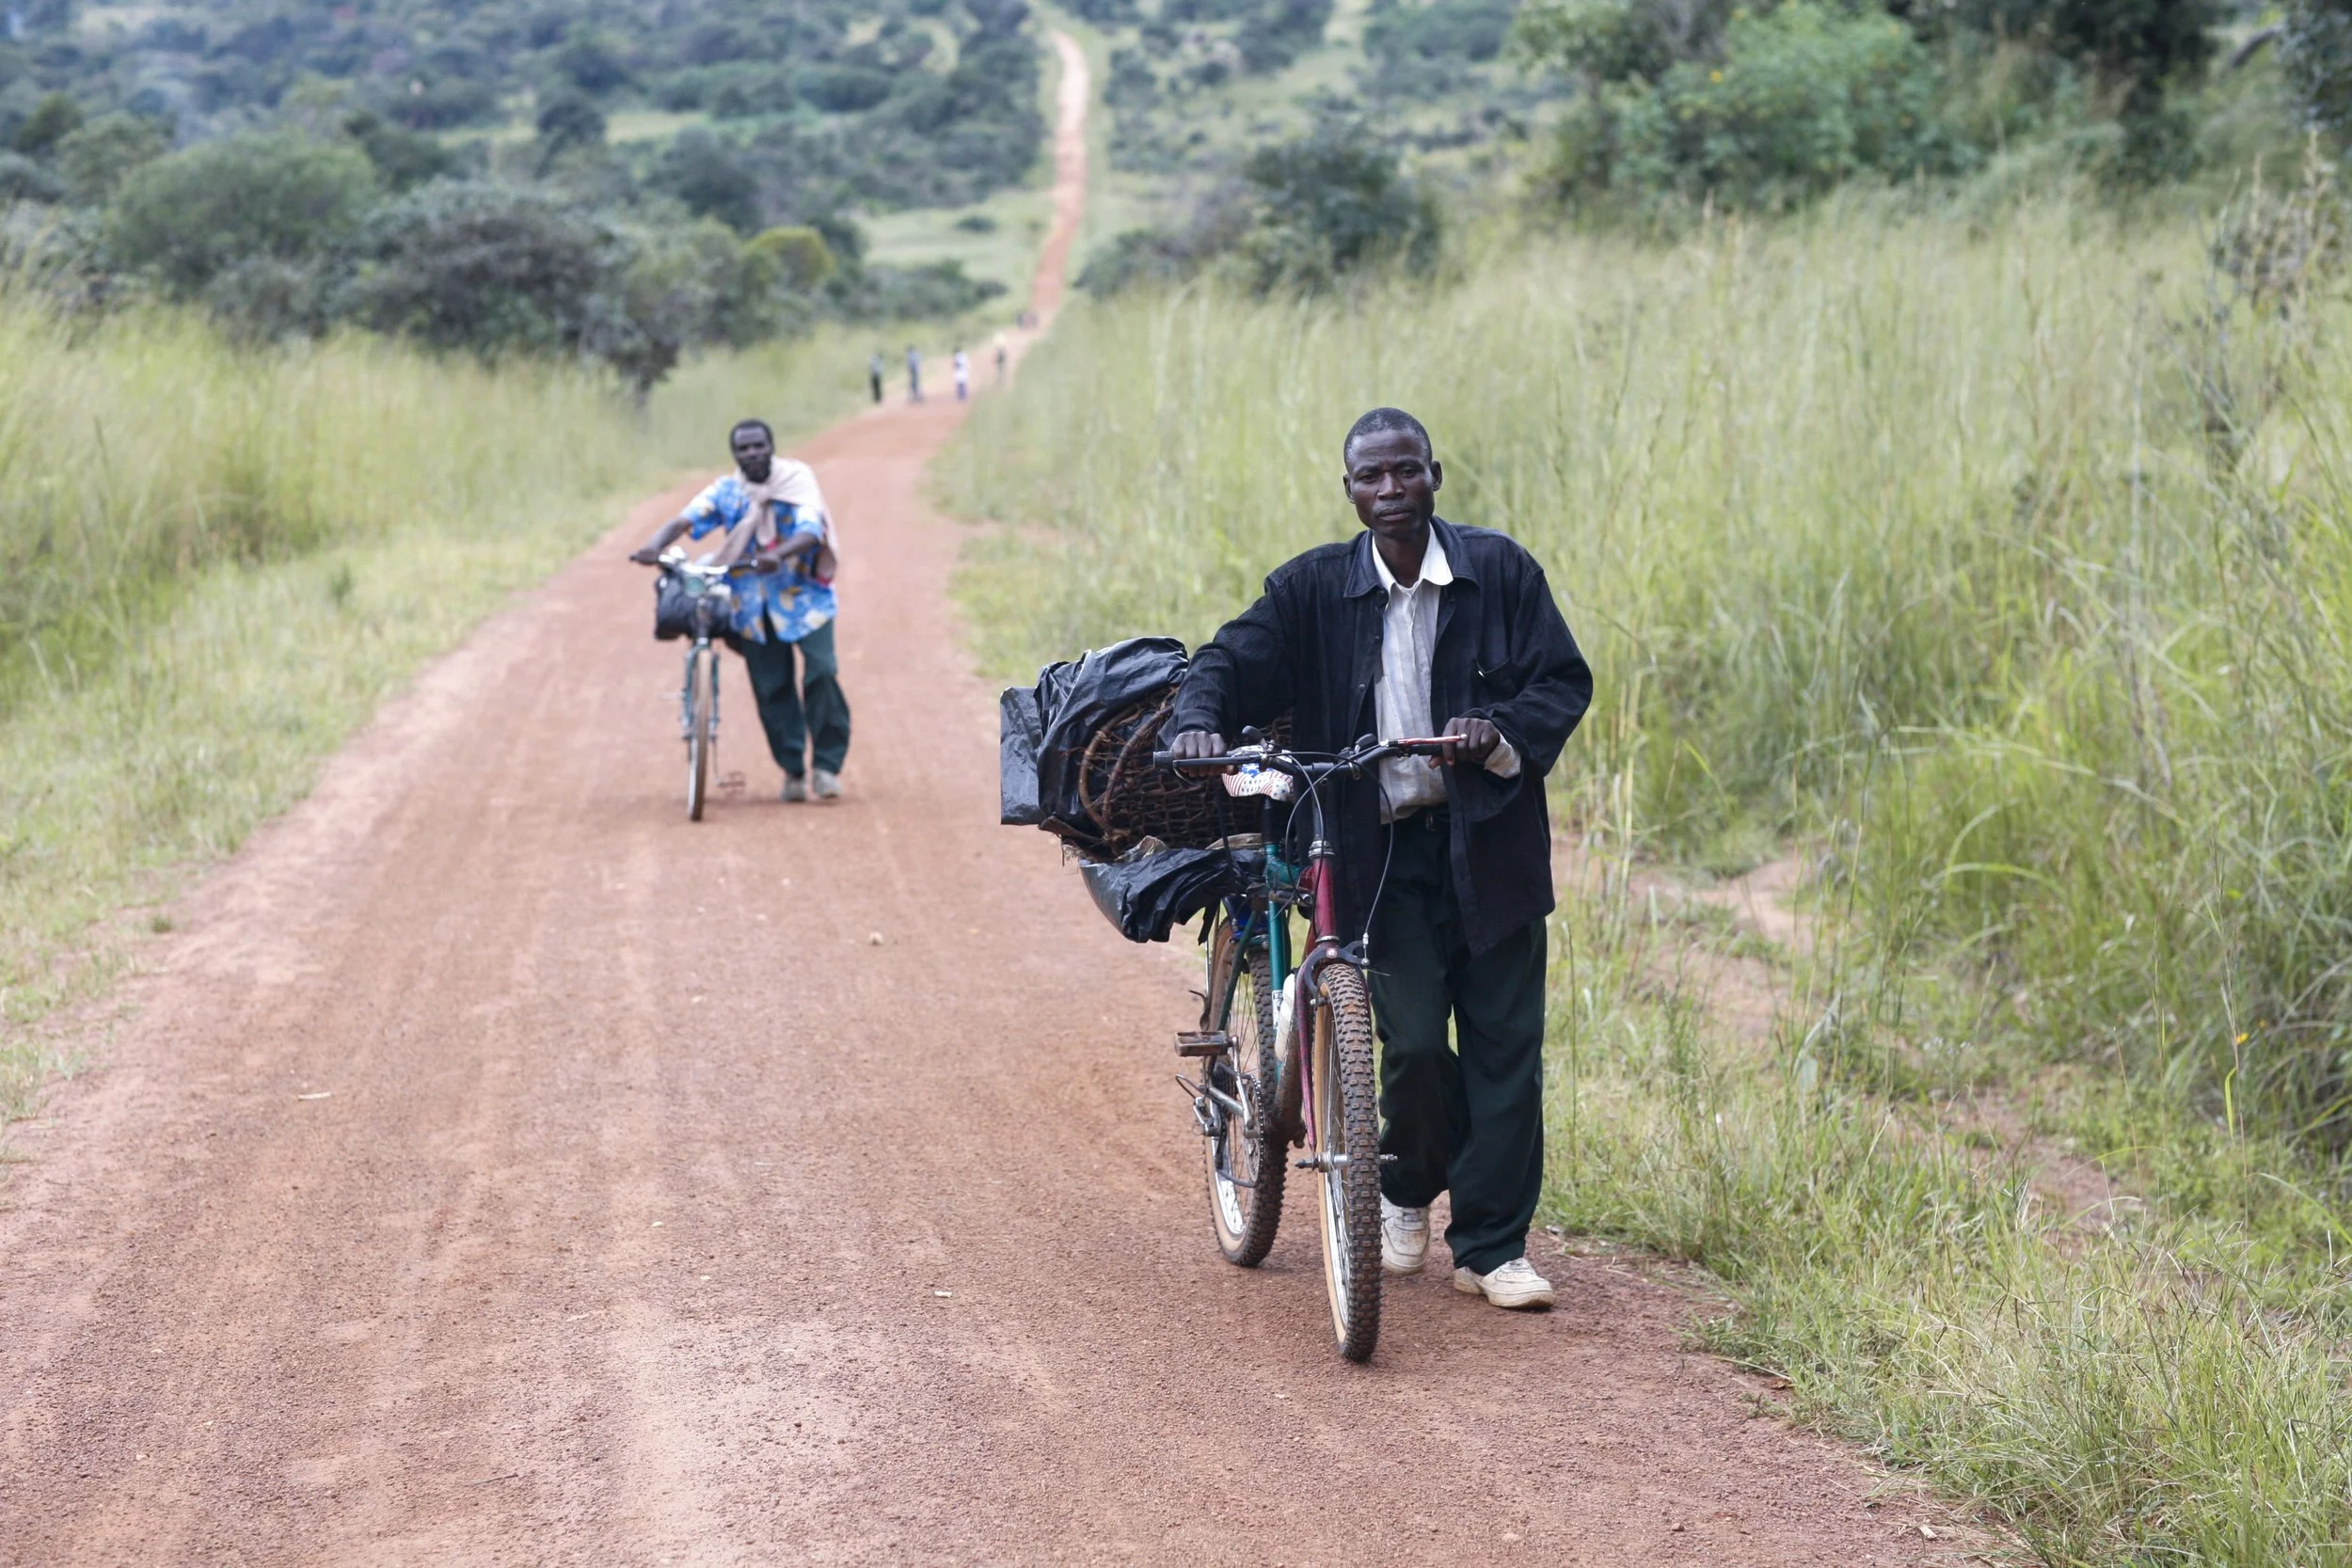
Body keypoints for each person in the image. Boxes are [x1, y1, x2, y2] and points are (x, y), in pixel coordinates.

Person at [1168, 407, 1591, 1311]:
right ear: (1349, 489)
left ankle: (1491, 1245)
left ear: (1436, 473)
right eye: (1372, 477)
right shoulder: (1310, 589)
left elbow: (1563, 678)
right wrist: (1197, 718)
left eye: (1406, 472)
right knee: (1409, 1046)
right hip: (1378, 851)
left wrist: (1501, 734)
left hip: (1492, 844)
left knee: (1506, 1047)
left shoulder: (1501, 571)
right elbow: (1224, 661)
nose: (1391, 491)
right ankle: (1399, 1190)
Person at [629, 420, 851, 801]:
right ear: (735, 454)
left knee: (823, 672)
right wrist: (654, 545)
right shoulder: (728, 492)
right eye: (743, 448)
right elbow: (687, 518)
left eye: (758, 446)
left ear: (771, 446)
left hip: (805, 600)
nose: (752, 454)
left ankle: (827, 767)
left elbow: (811, 529)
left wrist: (776, 556)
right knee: (771, 688)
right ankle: (794, 770)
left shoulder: (796, 480)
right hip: (749, 606)